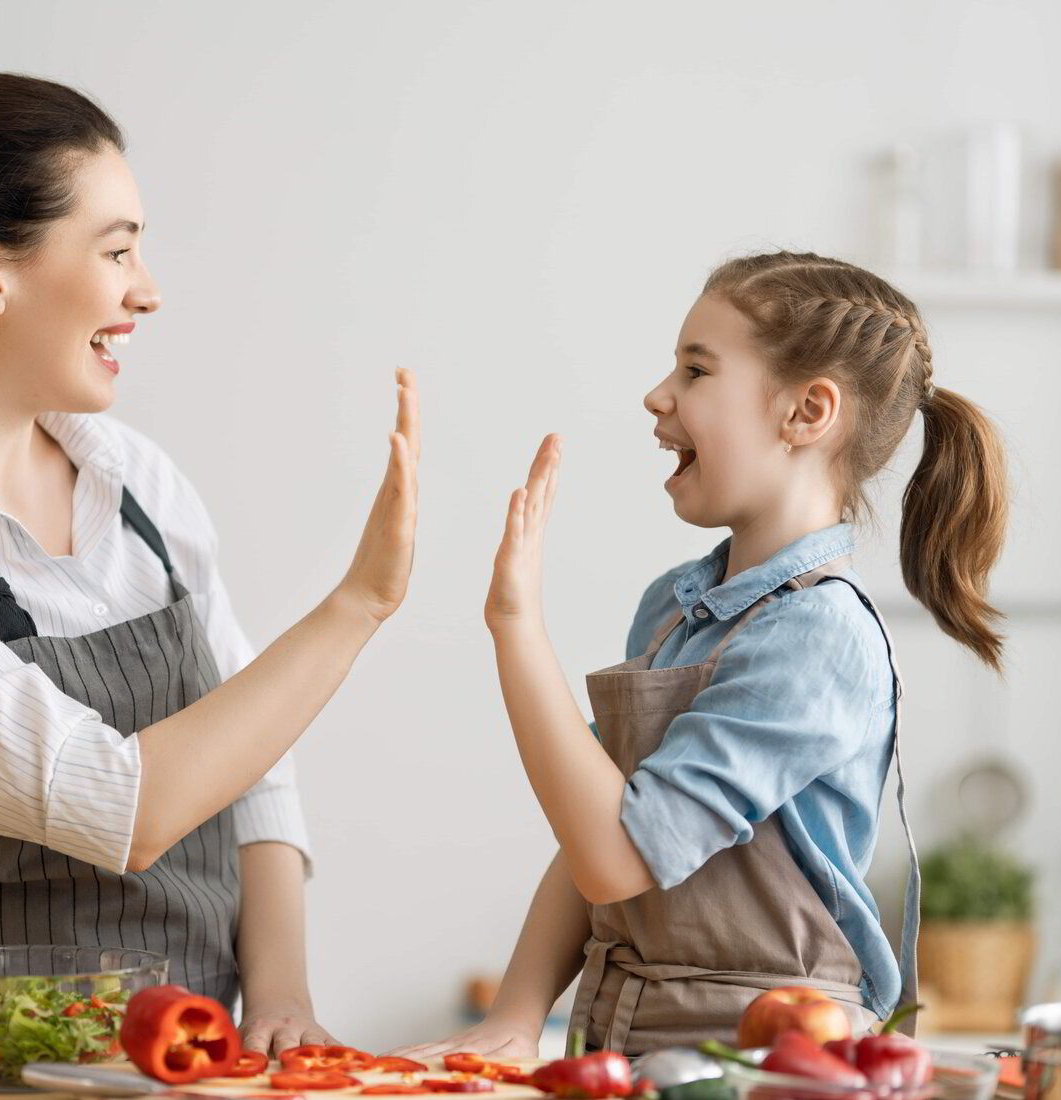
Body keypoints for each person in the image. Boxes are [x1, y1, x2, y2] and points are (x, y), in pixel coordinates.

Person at [0, 73, 419, 1055]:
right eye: (116, 250)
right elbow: (125, 806)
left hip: (194, 1060)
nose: (146, 289)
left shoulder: (134, 480)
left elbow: (257, 756)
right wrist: (357, 605)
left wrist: (279, 995)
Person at [404, 251, 1006, 1057]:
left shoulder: (818, 636)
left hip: (767, 1070)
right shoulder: (672, 608)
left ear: (806, 412)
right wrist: (516, 1019)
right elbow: (595, 829)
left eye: (695, 370)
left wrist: (516, 625)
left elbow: (618, 857)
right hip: (617, 1038)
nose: (658, 396)